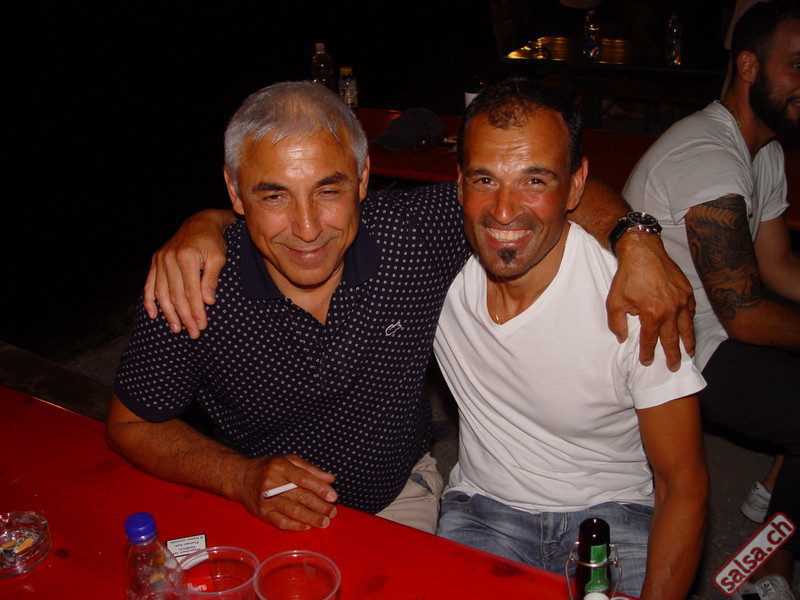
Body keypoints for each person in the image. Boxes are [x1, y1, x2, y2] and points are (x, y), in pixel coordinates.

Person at [109, 80, 694, 536]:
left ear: (364, 177)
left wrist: (637, 239)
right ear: (235, 192)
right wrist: (239, 477)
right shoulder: (195, 284)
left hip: (399, 497)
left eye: (329, 189)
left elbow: (536, 187)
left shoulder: (412, 235)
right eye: (274, 195)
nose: (307, 228)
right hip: (259, 505)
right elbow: (130, 425)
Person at [433, 78, 708, 600]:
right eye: (485, 179)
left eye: (535, 180)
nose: (504, 211)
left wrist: (636, 241)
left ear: (577, 185)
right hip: (483, 510)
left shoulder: (635, 298)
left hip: (614, 514)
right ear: (460, 183)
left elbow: (683, 485)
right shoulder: (435, 265)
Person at [624, 0, 800, 594]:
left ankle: (776, 489)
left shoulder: (764, 151)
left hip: (714, 327)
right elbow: (746, 315)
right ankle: (771, 568)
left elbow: (778, 267)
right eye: (797, 66)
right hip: (671, 344)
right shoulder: (707, 156)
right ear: (748, 67)